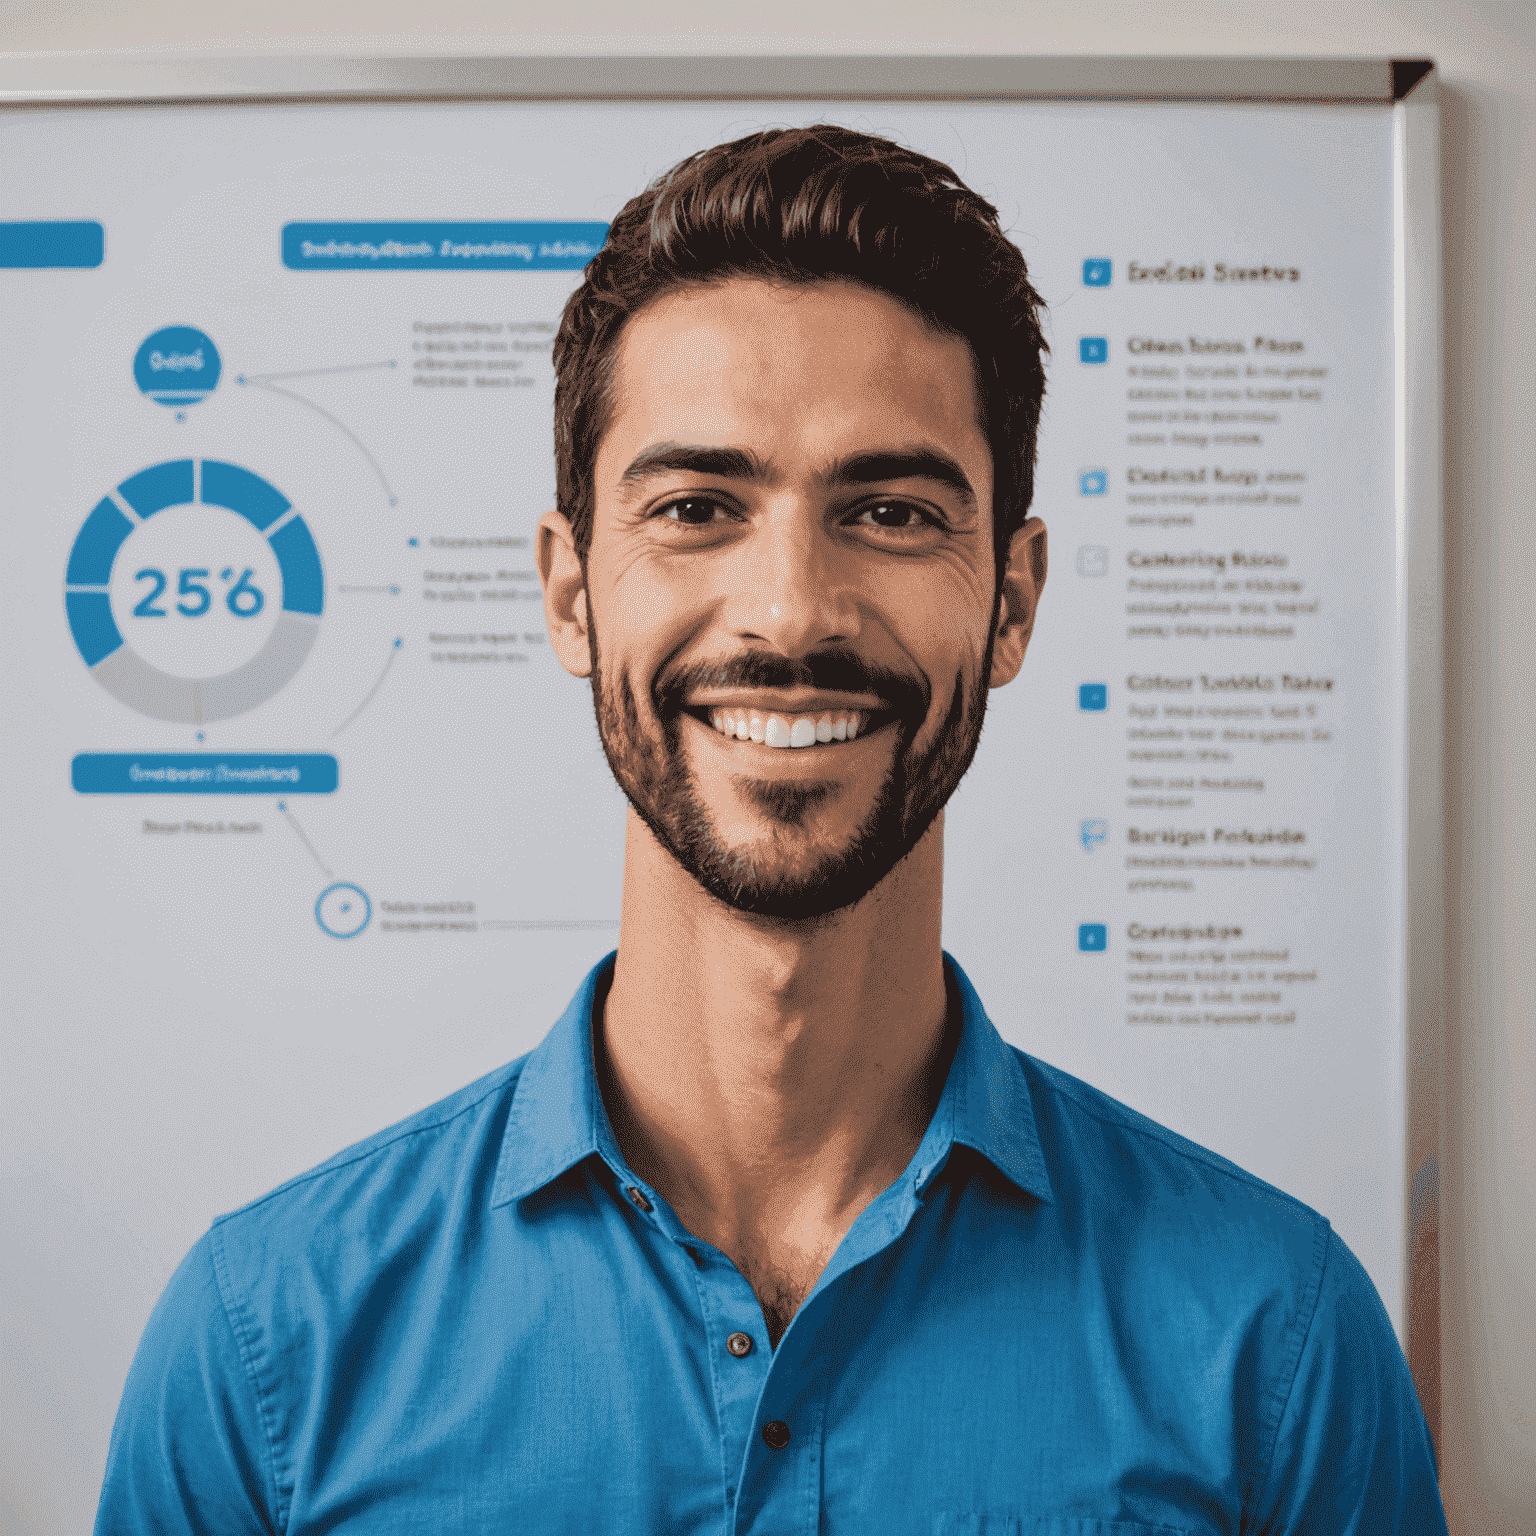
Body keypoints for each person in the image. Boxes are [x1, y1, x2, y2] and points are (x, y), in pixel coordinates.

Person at [96, 126, 1446, 1534]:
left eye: (891, 511)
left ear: (1014, 602)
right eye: (695, 508)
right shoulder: (264, 1346)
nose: (793, 612)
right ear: (571, 593)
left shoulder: (1276, 1344)